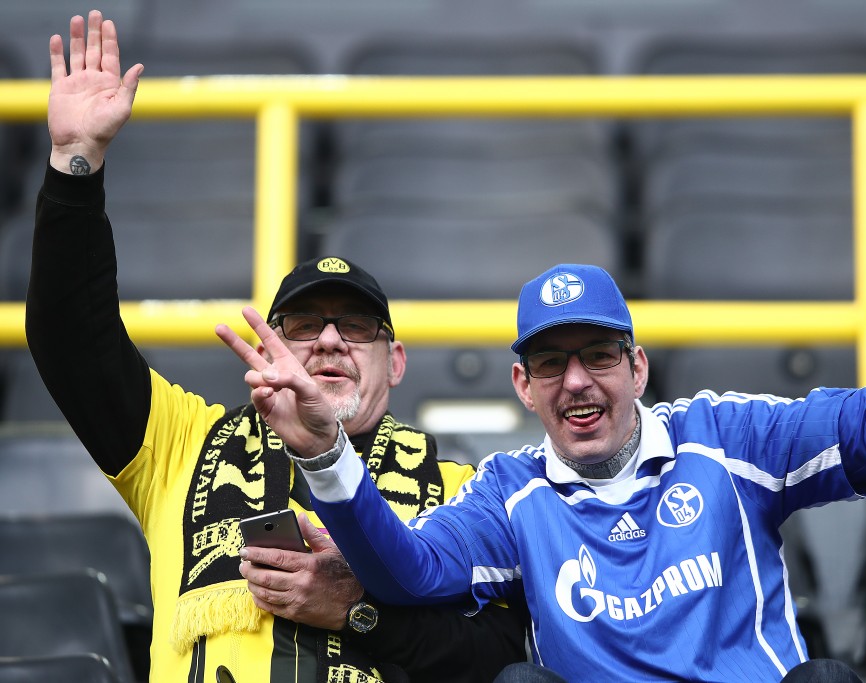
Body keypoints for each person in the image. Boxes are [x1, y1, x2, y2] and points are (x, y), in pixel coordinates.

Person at [218, 133, 866, 683]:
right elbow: (408, 573)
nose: (576, 382)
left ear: (638, 367)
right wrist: (325, 452)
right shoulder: (509, 491)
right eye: (551, 363)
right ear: (522, 385)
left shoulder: (727, 436)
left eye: (598, 356)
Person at [25, 11, 525, 683]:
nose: (329, 339)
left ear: (397, 362)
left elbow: (503, 655)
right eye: (303, 325)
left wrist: (359, 611)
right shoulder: (181, 444)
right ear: (266, 350)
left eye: (356, 327)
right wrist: (75, 164)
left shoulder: (459, 492)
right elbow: (69, 336)